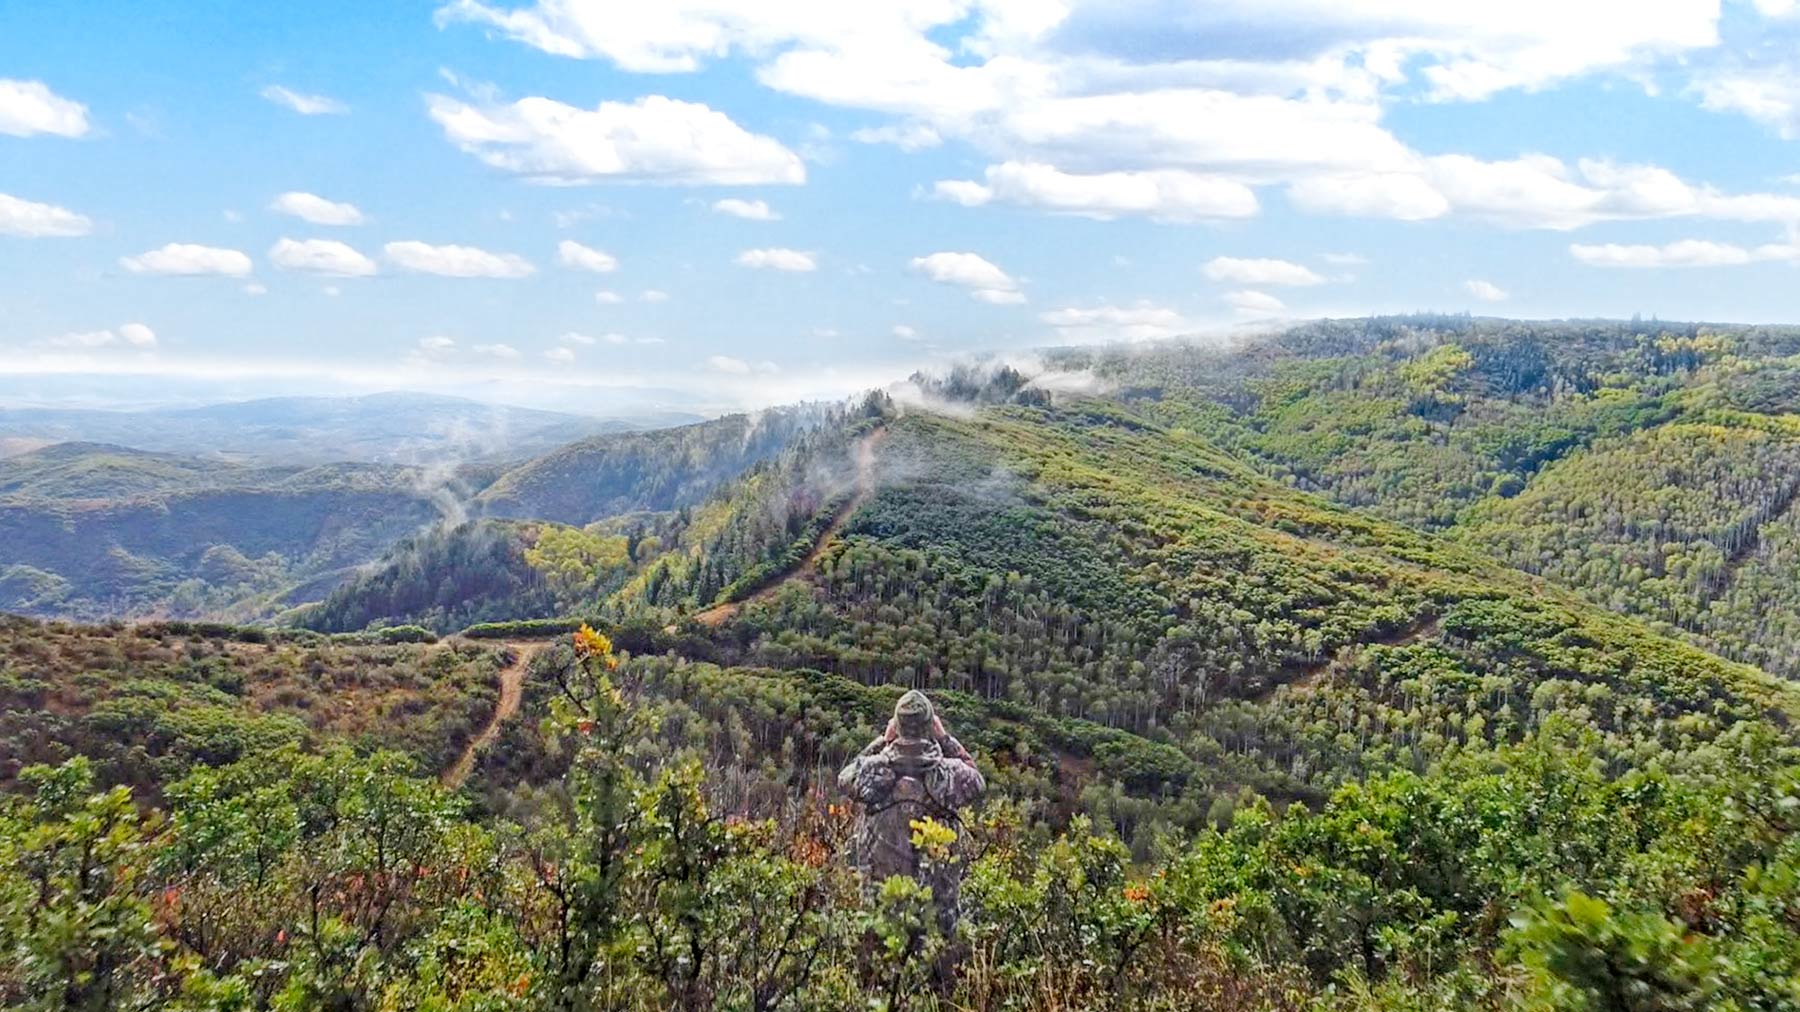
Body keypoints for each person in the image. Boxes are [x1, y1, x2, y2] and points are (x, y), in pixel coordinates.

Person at [837, 689, 985, 930]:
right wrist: (945, 739)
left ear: (896, 727)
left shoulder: (872, 771)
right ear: (931, 727)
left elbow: (846, 776)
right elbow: (976, 779)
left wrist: (883, 741)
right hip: (937, 917)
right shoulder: (950, 773)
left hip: (882, 912)